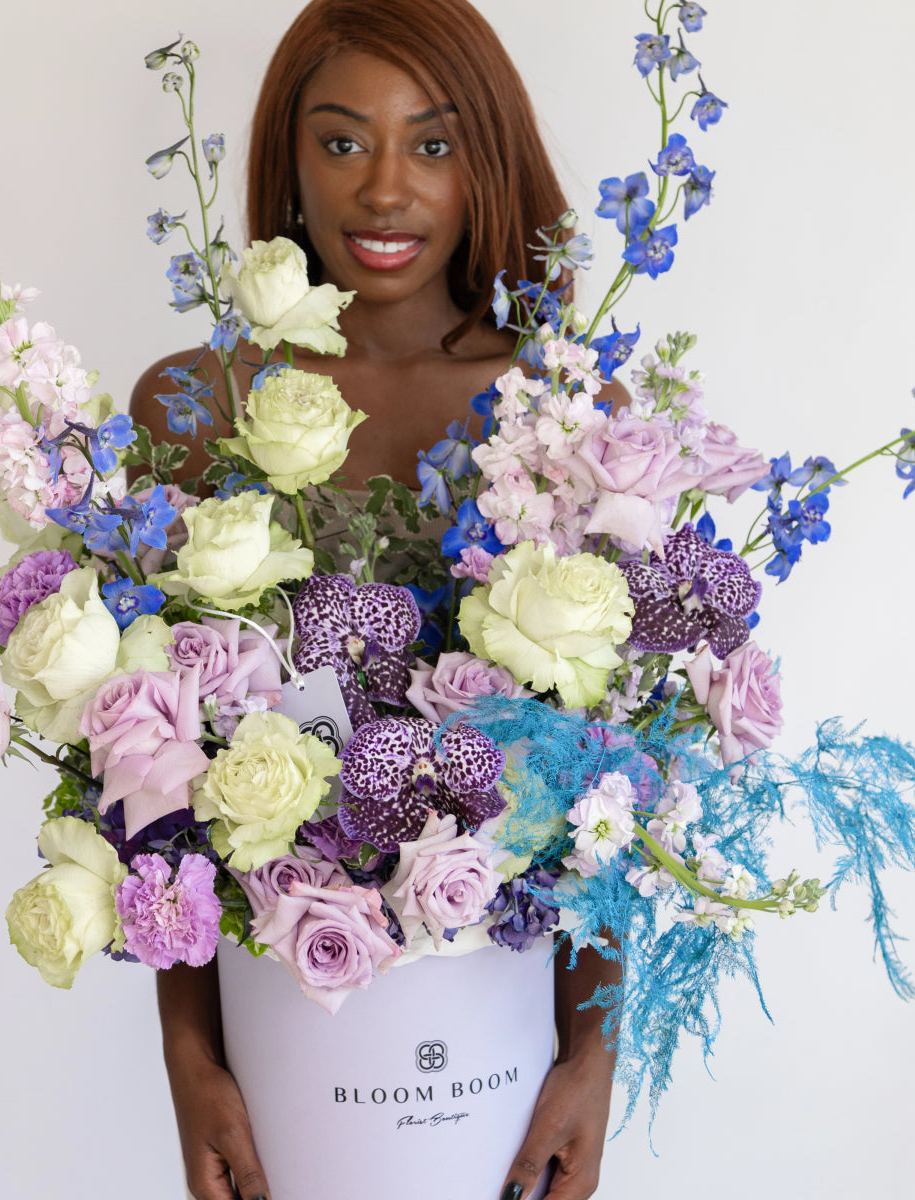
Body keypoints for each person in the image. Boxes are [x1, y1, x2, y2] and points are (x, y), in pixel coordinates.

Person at [130, 3, 627, 1197]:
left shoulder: (560, 413)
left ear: (487, 161)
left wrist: (595, 1054)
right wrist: (190, 1061)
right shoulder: (195, 406)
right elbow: (146, 780)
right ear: (288, 162)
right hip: (286, 1041)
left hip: (503, 1045)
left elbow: (618, 773)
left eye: (436, 144)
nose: (386, 189)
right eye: (344, 142)